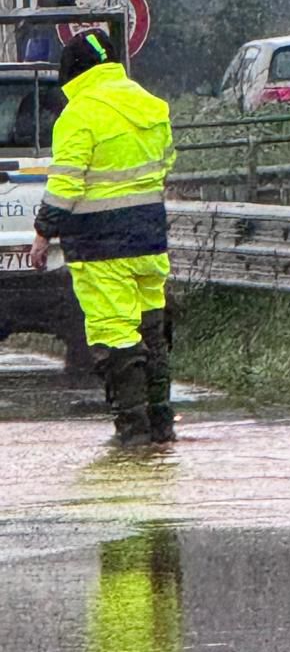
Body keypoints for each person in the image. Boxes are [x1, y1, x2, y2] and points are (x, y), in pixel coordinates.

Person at [29, 29, 177, 444]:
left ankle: (132, 428)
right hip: (149, 239)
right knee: (150, 326)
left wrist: (43, 233)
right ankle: (161, 419)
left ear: (73, 72)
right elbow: (164, 165)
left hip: (100, 245)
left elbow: (66, 184)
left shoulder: (79, 115)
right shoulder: (151, 106)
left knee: (114, 332)